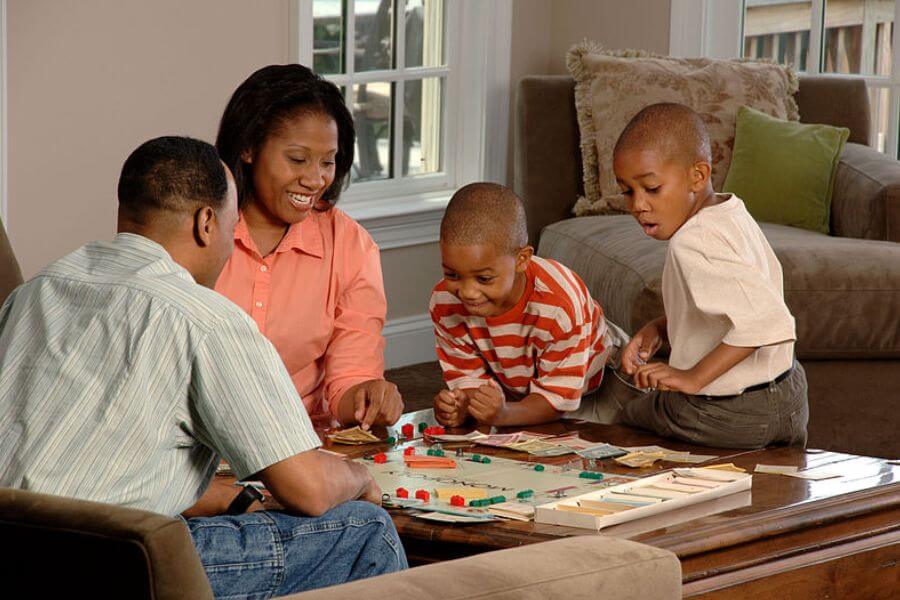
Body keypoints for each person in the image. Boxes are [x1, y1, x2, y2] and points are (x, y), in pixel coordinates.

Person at [0, 137, 407, 598]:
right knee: (364, 528)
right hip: (111, 568)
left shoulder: (37, 292)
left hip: (13, 554)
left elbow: (104, 465)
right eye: (233, 226)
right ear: (206, 222)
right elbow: (309, 489)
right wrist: (359, 479)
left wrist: (240, 499)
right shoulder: (206, 319)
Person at [214, 64, 402, 430]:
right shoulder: (201, 229)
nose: (315, 179)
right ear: (249, 147)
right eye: (297, 159)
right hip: (203, 444)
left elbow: (349, 378)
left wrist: (367, 397)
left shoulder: (351, 246)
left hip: (300, 442)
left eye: (328, 161)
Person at [614, 103, 809, 449]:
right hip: (790, 396)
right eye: (628, 191)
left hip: (729, 412)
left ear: (698, 176)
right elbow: (743, 303)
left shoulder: (692, 240)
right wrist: (660, 327)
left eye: (652, 188)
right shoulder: (731, 210)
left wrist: (691, 378)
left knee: (628, 417)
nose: (637, 205)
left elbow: (767, 322)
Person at [430, 183, 629, 428]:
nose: (468, 292)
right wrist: (465, 406)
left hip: (603, 378)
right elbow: (471, 384)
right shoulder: (445, 303)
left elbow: (554, 400)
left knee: (607, 439)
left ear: (521, 260)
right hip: (524, 385)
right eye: (452, 275)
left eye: (484, 278)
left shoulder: (559, 305)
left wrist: (504, 414)